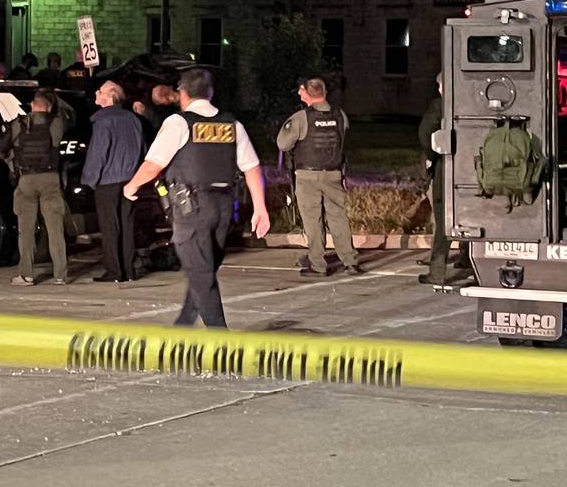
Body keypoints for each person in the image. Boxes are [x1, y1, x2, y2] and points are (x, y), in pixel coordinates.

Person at [123, 68, 269, 328]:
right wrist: (260, 208)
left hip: (192, 210)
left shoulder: (179, 123)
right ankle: (182, 328)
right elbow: (251, 167)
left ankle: (220, 340)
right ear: (210, 93)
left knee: (200, 272)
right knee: (203, 268)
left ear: (182, 94)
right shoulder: (231, 124)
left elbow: (154, 164)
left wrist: (131, 186)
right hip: (225, 209)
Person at [277, 77, 363, 277]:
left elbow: (283, 144)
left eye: (301, 91)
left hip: (308, 176)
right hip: (334, 174)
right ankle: (350, 262)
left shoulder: (301, 118)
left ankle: (318, 264)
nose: (299, 94)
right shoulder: (340, 115)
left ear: (307, 93)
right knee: (338, 218)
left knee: (312, 220)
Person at [0, 91, 68, 286]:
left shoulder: (18, 124)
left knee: (25, 230)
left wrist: (12, 159)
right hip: (50, 179)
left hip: (26, 179)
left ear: (32, 105)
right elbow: (69, 113)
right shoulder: (56, 123)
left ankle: (26, 274)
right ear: (50, 107)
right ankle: (60, 275)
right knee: (55, 229)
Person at [83, 80, 145, 282]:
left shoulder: (103, 121)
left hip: (107, 182)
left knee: (110, 227)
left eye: (99, 91)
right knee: (127, 226)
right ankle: (128, 269)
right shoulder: (133, 119)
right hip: (130, 180)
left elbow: (98, 153)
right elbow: (142, 148)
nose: (96, 93)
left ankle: (114, 270)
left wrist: (90, 179)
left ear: (109, 97)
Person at [418, 74, 472, 285]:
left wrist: (432, 158)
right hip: (471, 168)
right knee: (470, 214)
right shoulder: (471, 102)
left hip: (447, 166)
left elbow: (425, 133)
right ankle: (469, 258)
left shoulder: (440, 104)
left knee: (443, 218)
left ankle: (437, 270)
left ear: (442, 86)